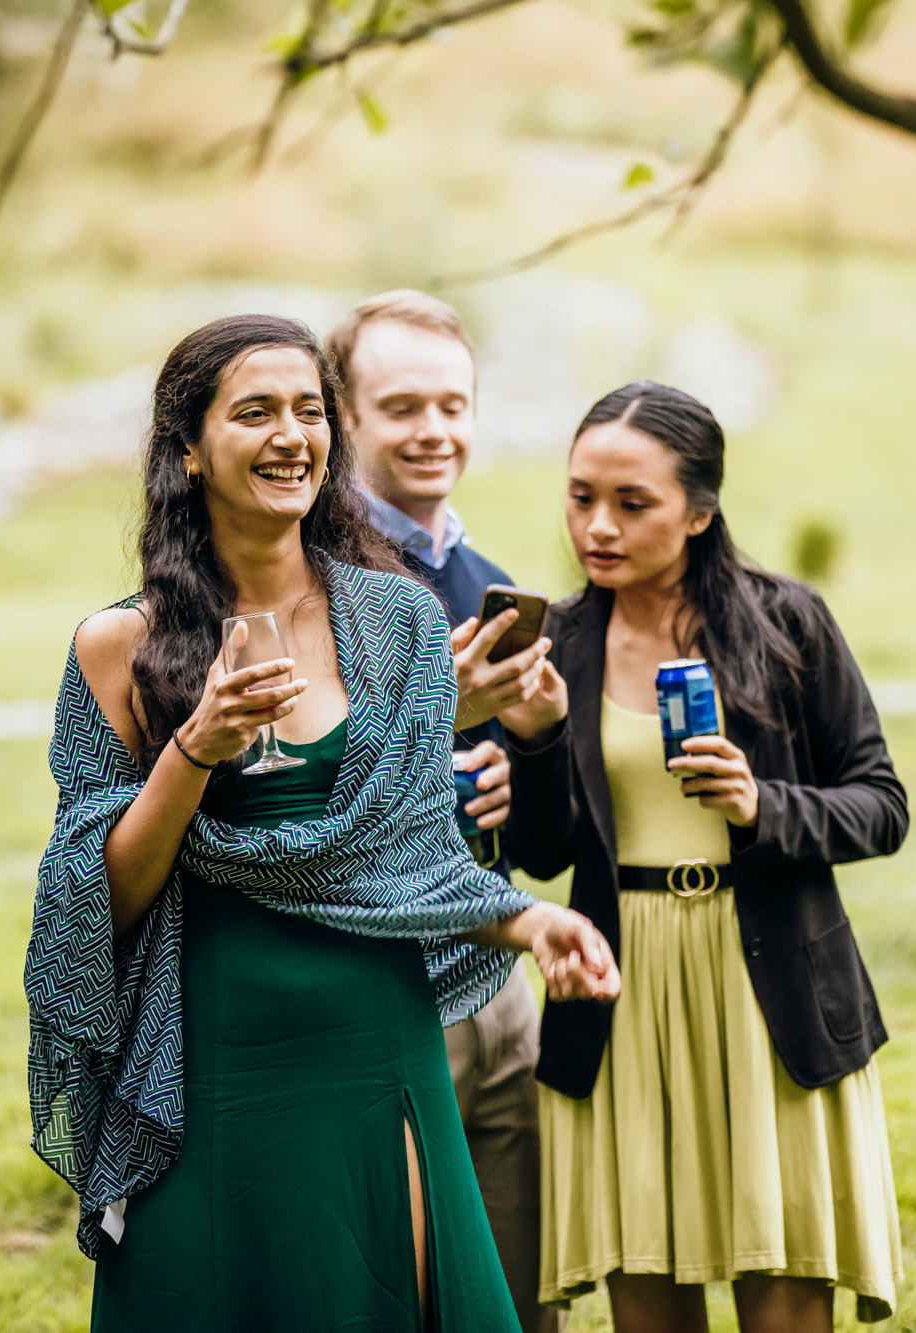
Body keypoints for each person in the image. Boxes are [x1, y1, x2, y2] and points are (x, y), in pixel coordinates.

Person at [24, 313, 620, 1331]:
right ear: (186, 447)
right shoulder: (116, 647)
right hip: (212, 1052)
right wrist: (194, 748)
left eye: (309, 411)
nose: (290, 435)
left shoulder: (400, 622)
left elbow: (420, 865)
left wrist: (530, 923)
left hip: (373, 1041)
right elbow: (99, 898)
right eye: (253, 412)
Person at [501, 382, 908, 1331]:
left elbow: (881, 805)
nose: (596, 526)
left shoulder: (785, 624)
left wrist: (763, 805)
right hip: (622, 993)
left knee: (783, 1298)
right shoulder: (558, 640)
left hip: (764, 989)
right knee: (648, 1299)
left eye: (631, 502)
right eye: (580, 496)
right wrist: (534, 738)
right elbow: (540, 850)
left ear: (700, 509)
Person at [327, 290, 563, 1333]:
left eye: (453, 405)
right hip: (372, 973)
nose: (435, 431)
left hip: (494, 964)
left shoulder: (485, 580)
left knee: (520, 1268)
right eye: (402, 406)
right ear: (343, 415)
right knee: (398, 1273)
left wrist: (526, 761)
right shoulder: (309, 575)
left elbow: (520, 780)